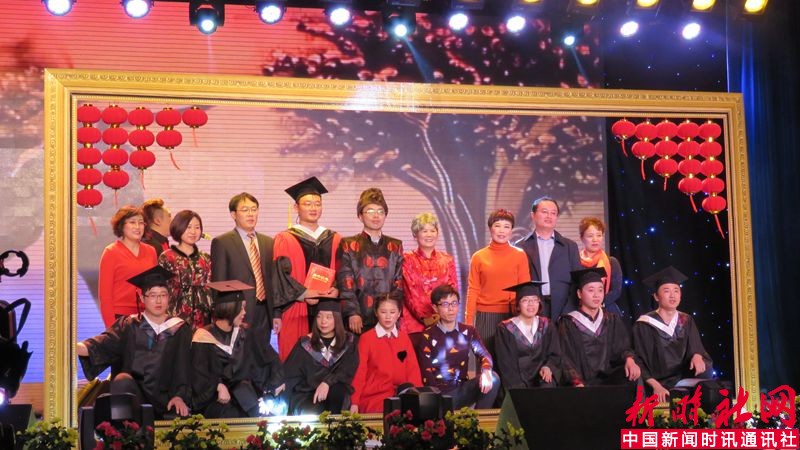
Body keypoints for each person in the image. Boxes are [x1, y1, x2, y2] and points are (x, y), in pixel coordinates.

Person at [77, 266, 191, 419]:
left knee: (182, 415)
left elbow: (183, 368)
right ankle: (126, 432)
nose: (158, 300)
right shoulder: (128, 325)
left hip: (167, 400)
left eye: (163, 295)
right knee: (122, 380)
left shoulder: (179, 328)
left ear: (169, 297)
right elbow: (100, 345)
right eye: (152, 295)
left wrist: (180, 396)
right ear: (142, 298)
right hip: (135, 397)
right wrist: (71, 346)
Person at [191, 280, 285, 418]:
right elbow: (199, 376)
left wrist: (276, 382)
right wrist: (218, 385)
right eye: (241, 308)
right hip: (216, 400)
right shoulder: (203, 337)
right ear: (230, 309)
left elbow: (269, 357)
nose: (244, 312)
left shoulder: (244, 334)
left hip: (244, 396)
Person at [273, 177, 341, 361]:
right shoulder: (285, 239)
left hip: (329, 309)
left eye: (317, 204)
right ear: (296, 207)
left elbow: (344, 272)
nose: (313, 208)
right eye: (307, 204)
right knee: (297, 360)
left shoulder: (335, 239)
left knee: (329, 359)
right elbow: (279, 277)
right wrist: (304, 293)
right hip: (298, 309)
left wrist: (337, 289)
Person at [411, 284, 499, 409]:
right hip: (439, 396)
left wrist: (486, 371)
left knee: (493, 378)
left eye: (454, 303)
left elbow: (484, 354)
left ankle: (478, 418)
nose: (451, 308)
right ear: (435, 308)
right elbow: (427, 375)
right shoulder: (427, 336)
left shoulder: (468, 331)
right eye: (445, 304)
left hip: (462, 390)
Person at [633, 266, 714, 402]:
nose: (672, 295)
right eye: (666, 291)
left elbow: (696, 346)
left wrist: (697, 355)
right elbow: (639, 361)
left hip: (681, 380)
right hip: (655, 382)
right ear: (656, 296)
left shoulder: (686, 320)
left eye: (676, 291)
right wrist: (656, 386)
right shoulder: (644, 324)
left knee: (707, 367)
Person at [337, 187, 404, 335]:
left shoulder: (395, 246)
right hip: (358, 319)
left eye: (380, 211)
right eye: (370, 211)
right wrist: (352, 312)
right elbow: (345, 282)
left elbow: (398, 283)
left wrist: (393, 314)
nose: (376, 216)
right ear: (360, 216)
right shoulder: (348, 244)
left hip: (388, 319)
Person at [559, 267, 641, 387]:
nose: (596, 295)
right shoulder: (568, 322)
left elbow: (623, 348)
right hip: (580, 382)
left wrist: (629, 359)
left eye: (600, 290)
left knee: (633, 373)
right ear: (579, 294)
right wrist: (575, 381)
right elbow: (566, 358)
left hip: (609, 380)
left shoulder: (611, 319)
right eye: (591, 290)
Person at [211, 192, 278, 334]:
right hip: (237, 314)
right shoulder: (222, 242)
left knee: (262, 347)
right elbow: (219, 283)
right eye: (245, 210)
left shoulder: (268, 242)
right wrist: (227, 317)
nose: (250, 214)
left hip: (265, 312)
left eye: (254, 209)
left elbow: (274, 280)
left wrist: (276, 313)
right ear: (233, 214)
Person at [465, 209, 530, 355]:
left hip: (513, 315)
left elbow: (525, 289)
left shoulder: (520, 255)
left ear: (511, 230)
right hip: (486, 316)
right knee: (485, 360)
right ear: (490, 228)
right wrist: (468, 322)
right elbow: (473, 289)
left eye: (507, 226)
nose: (502, 231)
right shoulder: (478, 257)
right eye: (497, 226)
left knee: (509, 360)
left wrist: (525, 317)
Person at [283, 298, 358, 415]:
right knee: (311, 411)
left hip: (335, 395)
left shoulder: (348, 342)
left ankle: (335, 425)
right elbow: (290, 373)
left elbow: (347, 370)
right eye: (319, 316)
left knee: (337, 390)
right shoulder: (305, 343)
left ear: (337, 319)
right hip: (307, 395)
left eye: (329, 317)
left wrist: (327, 383)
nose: (323, 321)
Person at [350, 293, 422, 413]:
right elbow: (360, 372)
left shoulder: (404, 338)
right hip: (374, 397)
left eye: (392, 312)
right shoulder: (366, 338)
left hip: (402, 396)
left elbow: (413, 370)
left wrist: (418, 398)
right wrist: (354, 402)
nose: (388, 317)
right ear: (376, 313)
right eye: (383, 312)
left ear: (399, 313)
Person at [515, 196, 582, 320]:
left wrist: (568, 311)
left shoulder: (570, 246)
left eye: (553, 213)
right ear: (533, 215)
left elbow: (577, 281)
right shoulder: (520, 247)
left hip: (563, 309)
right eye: (544, 212)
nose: (549, 216)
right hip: (531, 310)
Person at [494, 281, 562, 389]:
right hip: (516, 382)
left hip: (542, 380)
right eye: (525, 300)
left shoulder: (547, 325)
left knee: (547, 387)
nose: (531, 304)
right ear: (518, 305)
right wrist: (519, 386)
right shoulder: (505, 329)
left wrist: (548, 367)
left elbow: (555, 354)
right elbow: (506, 364)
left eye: (535, 300)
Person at [98, 205, 158, 327]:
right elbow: (105, 296)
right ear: (122, 225)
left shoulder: (151, 251)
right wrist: (111, 329)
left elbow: (155, 287)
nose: (137, 226)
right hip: (120, 318)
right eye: (132, 222)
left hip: (146, 317)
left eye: (141, 223)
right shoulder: (111, 252)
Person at [401, 212, 458, 334]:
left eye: (432, 230)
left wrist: (442, 315)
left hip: (443, 322)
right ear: (415, 234)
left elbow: (452, 291)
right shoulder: (407, 259)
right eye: (424, 231)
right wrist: (426, 318)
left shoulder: (447, 260)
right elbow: (410, 295)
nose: (429, 234)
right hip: (414, 325)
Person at [158, 210, 213, 329]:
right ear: (179, 227)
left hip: (203, 320)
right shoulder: (167, 257)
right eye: (188, 227)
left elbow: (210, 288)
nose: (193, 231)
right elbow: (161, 289)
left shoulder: (206, 258)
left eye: (197, 227)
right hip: (174, 319)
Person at [578, 217, 624, 316]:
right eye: (590, 236)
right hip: (581, 310)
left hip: (607, 309)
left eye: (599, 235)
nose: (595, 239)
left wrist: (599, 303)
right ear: (582, 238)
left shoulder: (611, 262)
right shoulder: (575, 261)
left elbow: (616, 290)